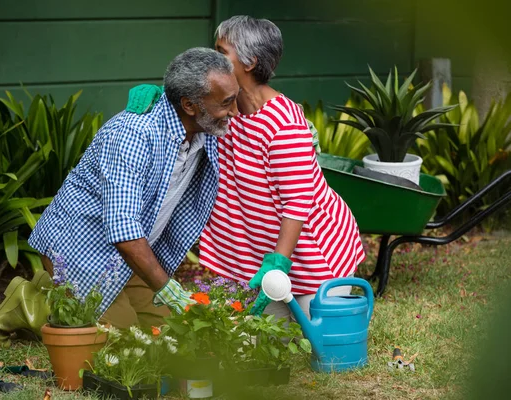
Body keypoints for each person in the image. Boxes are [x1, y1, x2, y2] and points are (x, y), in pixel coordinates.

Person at [0, 47, 239, 347]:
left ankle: (71, 303)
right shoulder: (134, 135)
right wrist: (169, 291)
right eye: (227, 103)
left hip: (126, 260)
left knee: (170, 333)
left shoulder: (204, 128)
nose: (235, 111)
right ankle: (33, 301)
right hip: (80, 252)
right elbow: (123, 229)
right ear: (189, 104)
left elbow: (250, 103)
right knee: (119, 339)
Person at [127, 16, 365, 322]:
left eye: (221, 51)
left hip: (311, 258)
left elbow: (298, 202)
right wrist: (166, 96)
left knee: (315, 333)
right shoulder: (219, 108)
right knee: (244, 339)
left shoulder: (284, 126)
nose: (212, 57)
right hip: (253, 253)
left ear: (249, 62)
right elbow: (191, 104)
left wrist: (278, 262)